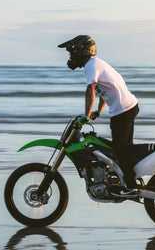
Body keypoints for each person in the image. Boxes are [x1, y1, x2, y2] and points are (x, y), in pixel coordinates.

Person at [58, 35, 140, 195]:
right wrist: (98, 111)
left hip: (122, 110)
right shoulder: (96, 64)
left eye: (72, 52)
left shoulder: (91, 66)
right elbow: (104, 90)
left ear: (82, 51)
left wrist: (86, 115)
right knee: (125, 148)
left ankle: (131, 186)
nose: (71, 57)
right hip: (128, 107)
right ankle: (128, 179)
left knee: (120, 149)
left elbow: (91, 90)